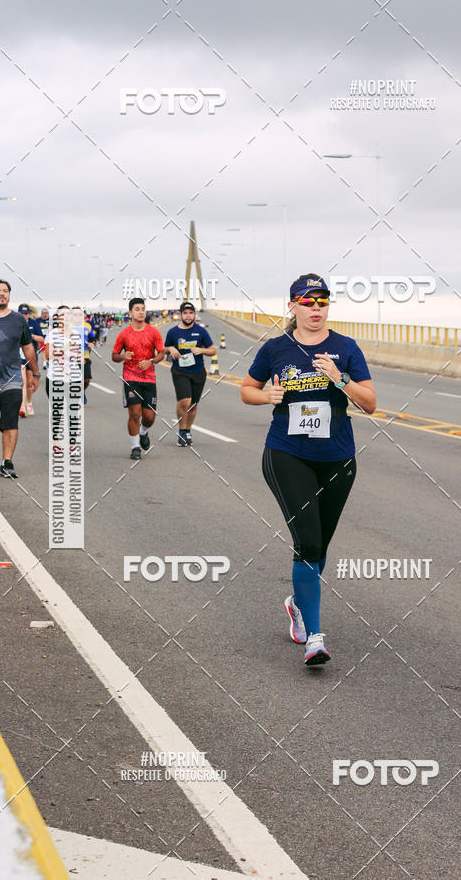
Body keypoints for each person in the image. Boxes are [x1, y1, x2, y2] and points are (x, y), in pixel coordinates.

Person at [241, 274, 376, 666]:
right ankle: (315, 638)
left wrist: (342, 378)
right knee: (308, 543)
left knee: (321, 545)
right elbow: (245, 389)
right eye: (308, 301)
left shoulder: (345, 348)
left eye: (322, 301)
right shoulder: (276, 348)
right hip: (287, 453)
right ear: (293, 306)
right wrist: (265, 394)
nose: (316, 308)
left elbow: (370, 404)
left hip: (337, 456)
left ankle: (298, 604)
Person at [0, 280, 38, 478]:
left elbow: (28, 347)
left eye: (5, 291)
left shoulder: (18, 320)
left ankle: (7, 462)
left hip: (12, 378)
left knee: (10, 419)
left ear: (9, 295)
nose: (2, 294)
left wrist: (35, 373)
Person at [111, 297, 165, 460]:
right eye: (137, 309)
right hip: (131, 378)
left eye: (143, 309)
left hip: (149, 379)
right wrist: (122, 356)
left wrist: (151, 361)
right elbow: (114, 356)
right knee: (135, 413)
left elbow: (162, 353)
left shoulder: (153, 332)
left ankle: (143, 432)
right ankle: (135, 447)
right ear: (130, 313)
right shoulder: (124, 334)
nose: (141, 312)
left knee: (149, 417)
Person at [164, 301, 216, 447]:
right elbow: (165, 348)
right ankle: (181, 431)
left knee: (193, 405)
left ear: (194, 314)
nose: (188, 316)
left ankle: (188, 430)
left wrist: (202, 350)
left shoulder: (201, 331)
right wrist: (171, 349)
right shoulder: (173, 332)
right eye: (185, 313)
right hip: (180, 371)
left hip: (198, 372)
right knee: (184, 401)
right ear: (181, 315)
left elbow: (213, 350)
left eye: (190, 313)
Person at [18, 304, 45, 416]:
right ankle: (22, 406)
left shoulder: (34, 324)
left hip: (31, 355)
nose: (24, 315)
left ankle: (29, 402)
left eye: (26, 313)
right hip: (19, 356)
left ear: (29, 313)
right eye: (22, 313)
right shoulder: (15, 323)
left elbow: (42, 338)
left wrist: (31, 336)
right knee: (23, 382)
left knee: (29, 383)